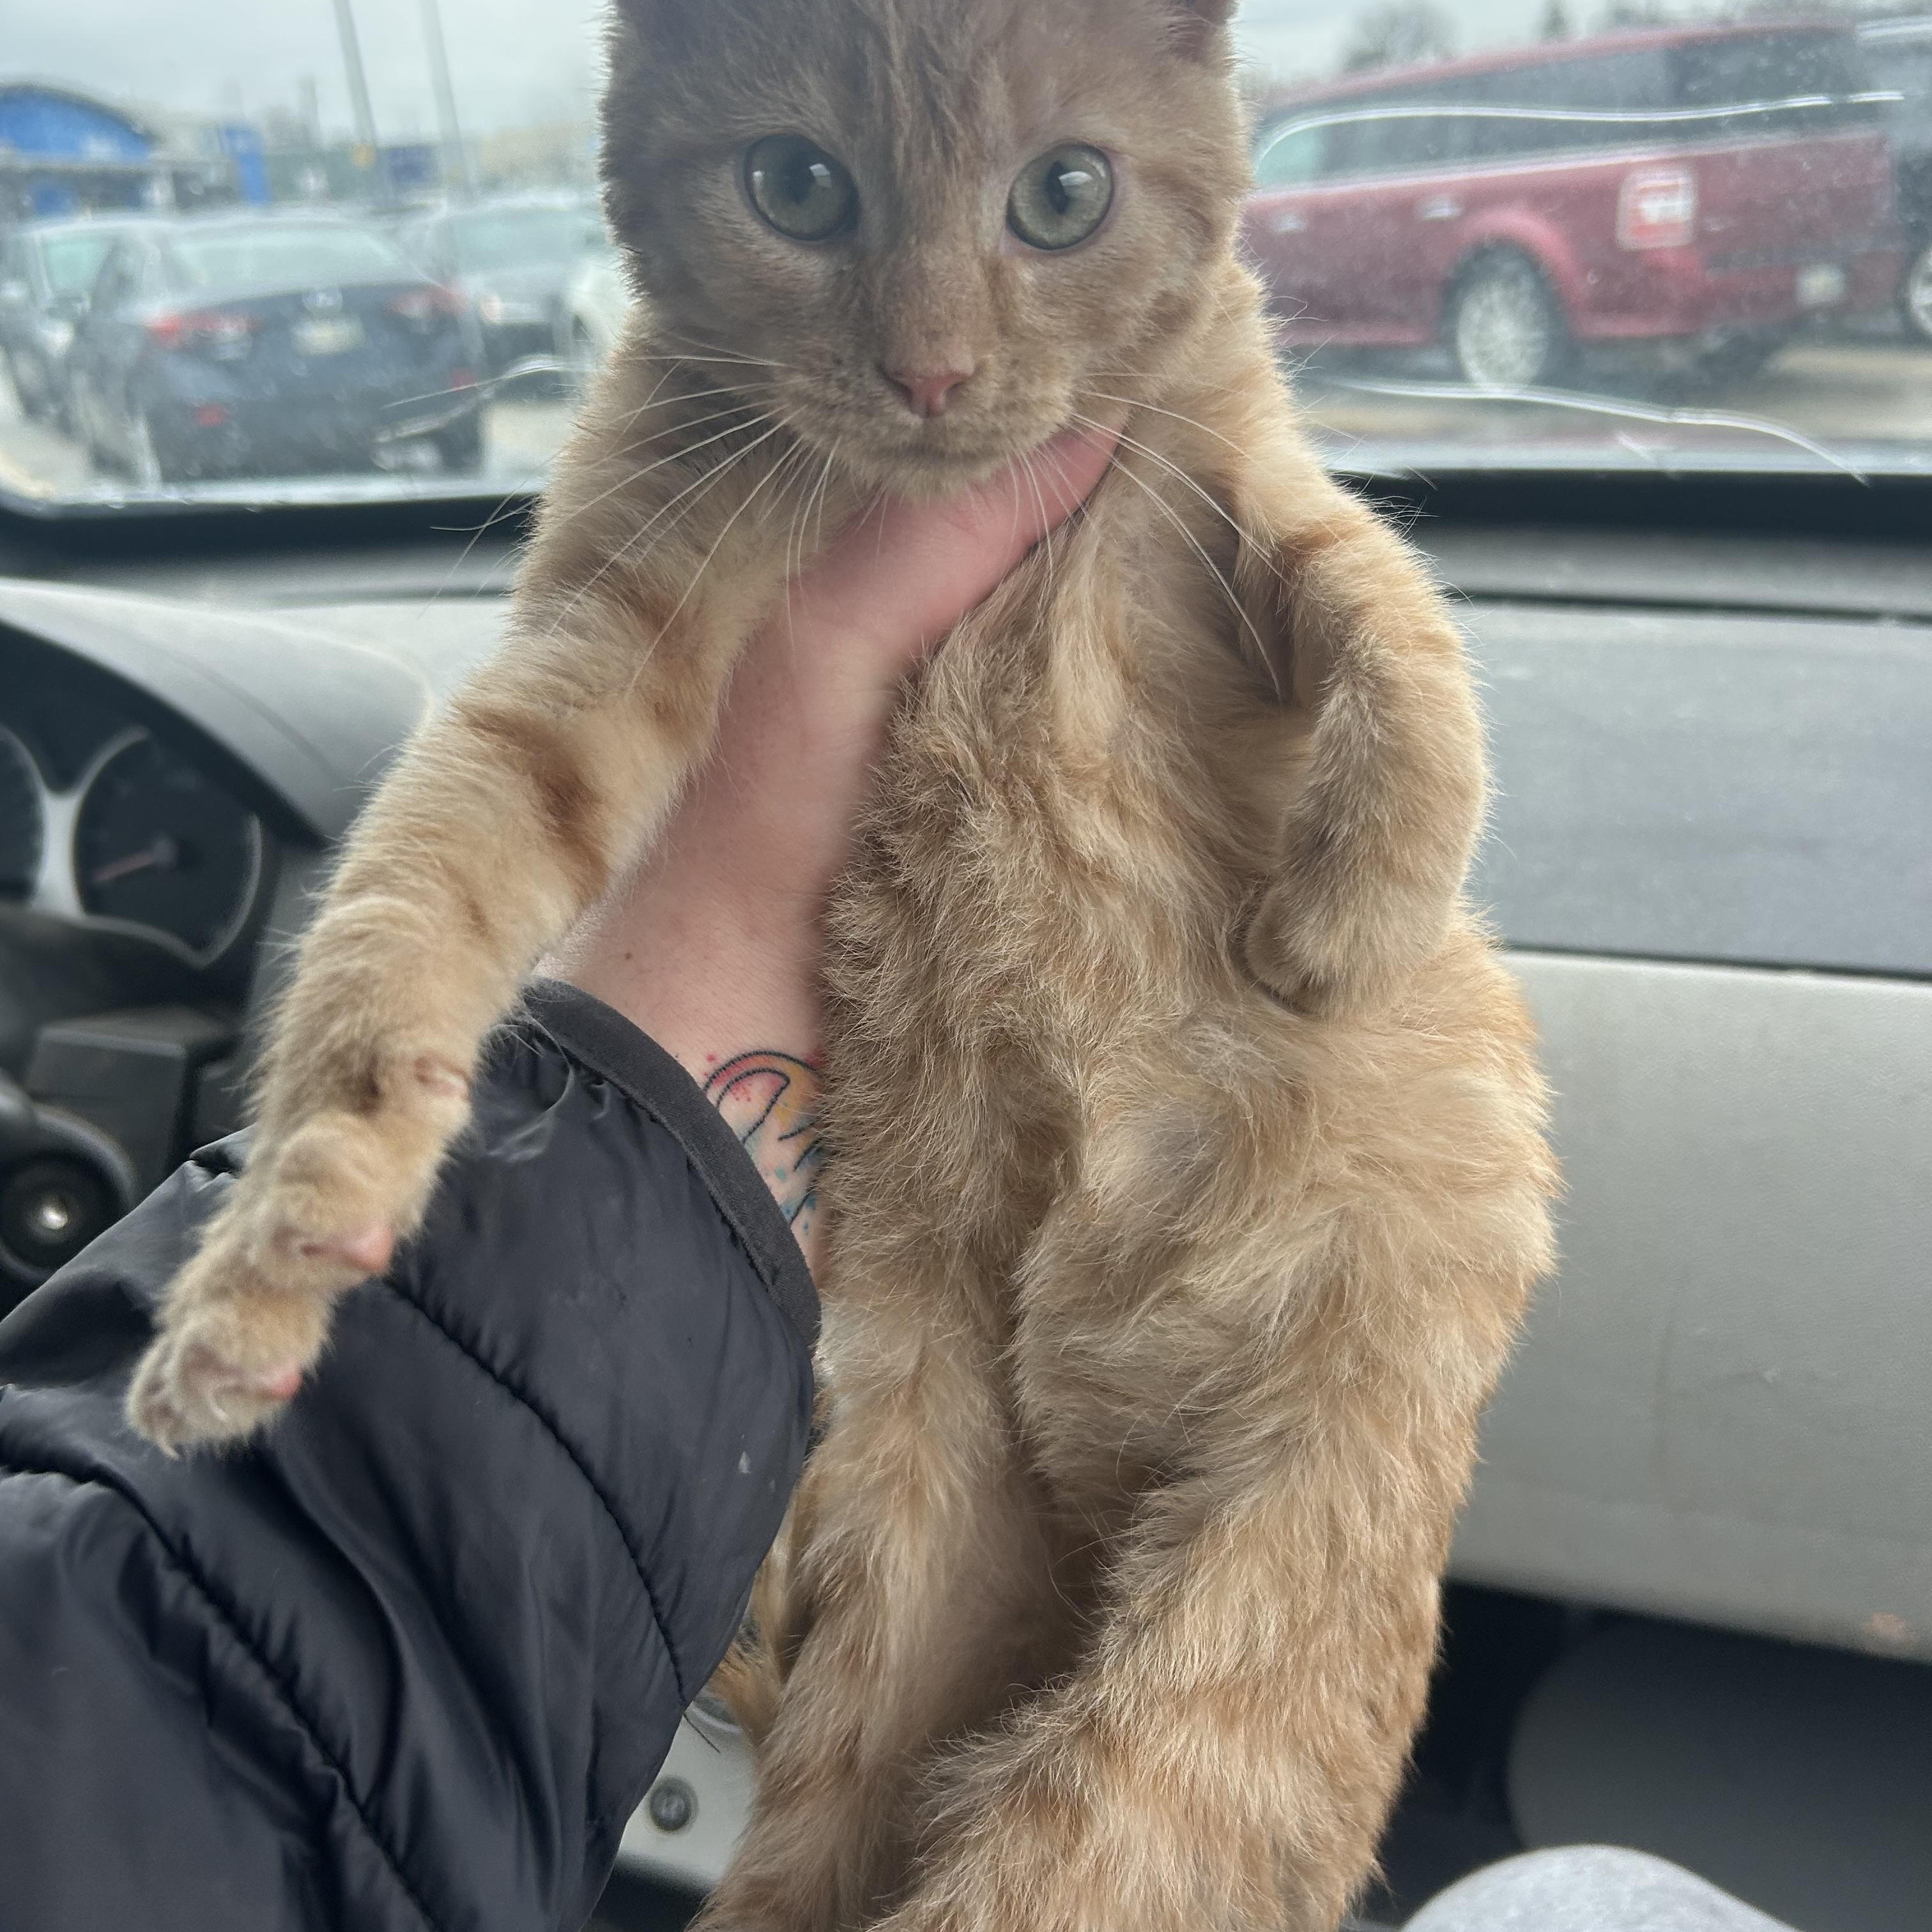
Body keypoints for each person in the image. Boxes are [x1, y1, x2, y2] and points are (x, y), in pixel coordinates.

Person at [0, 427, 1796, 1932]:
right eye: (801, 187)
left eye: (1059, 198)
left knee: (1201, 1694)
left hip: (1250, 1165)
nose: (939, 356)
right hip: (920, 1225)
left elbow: (1320, 574)